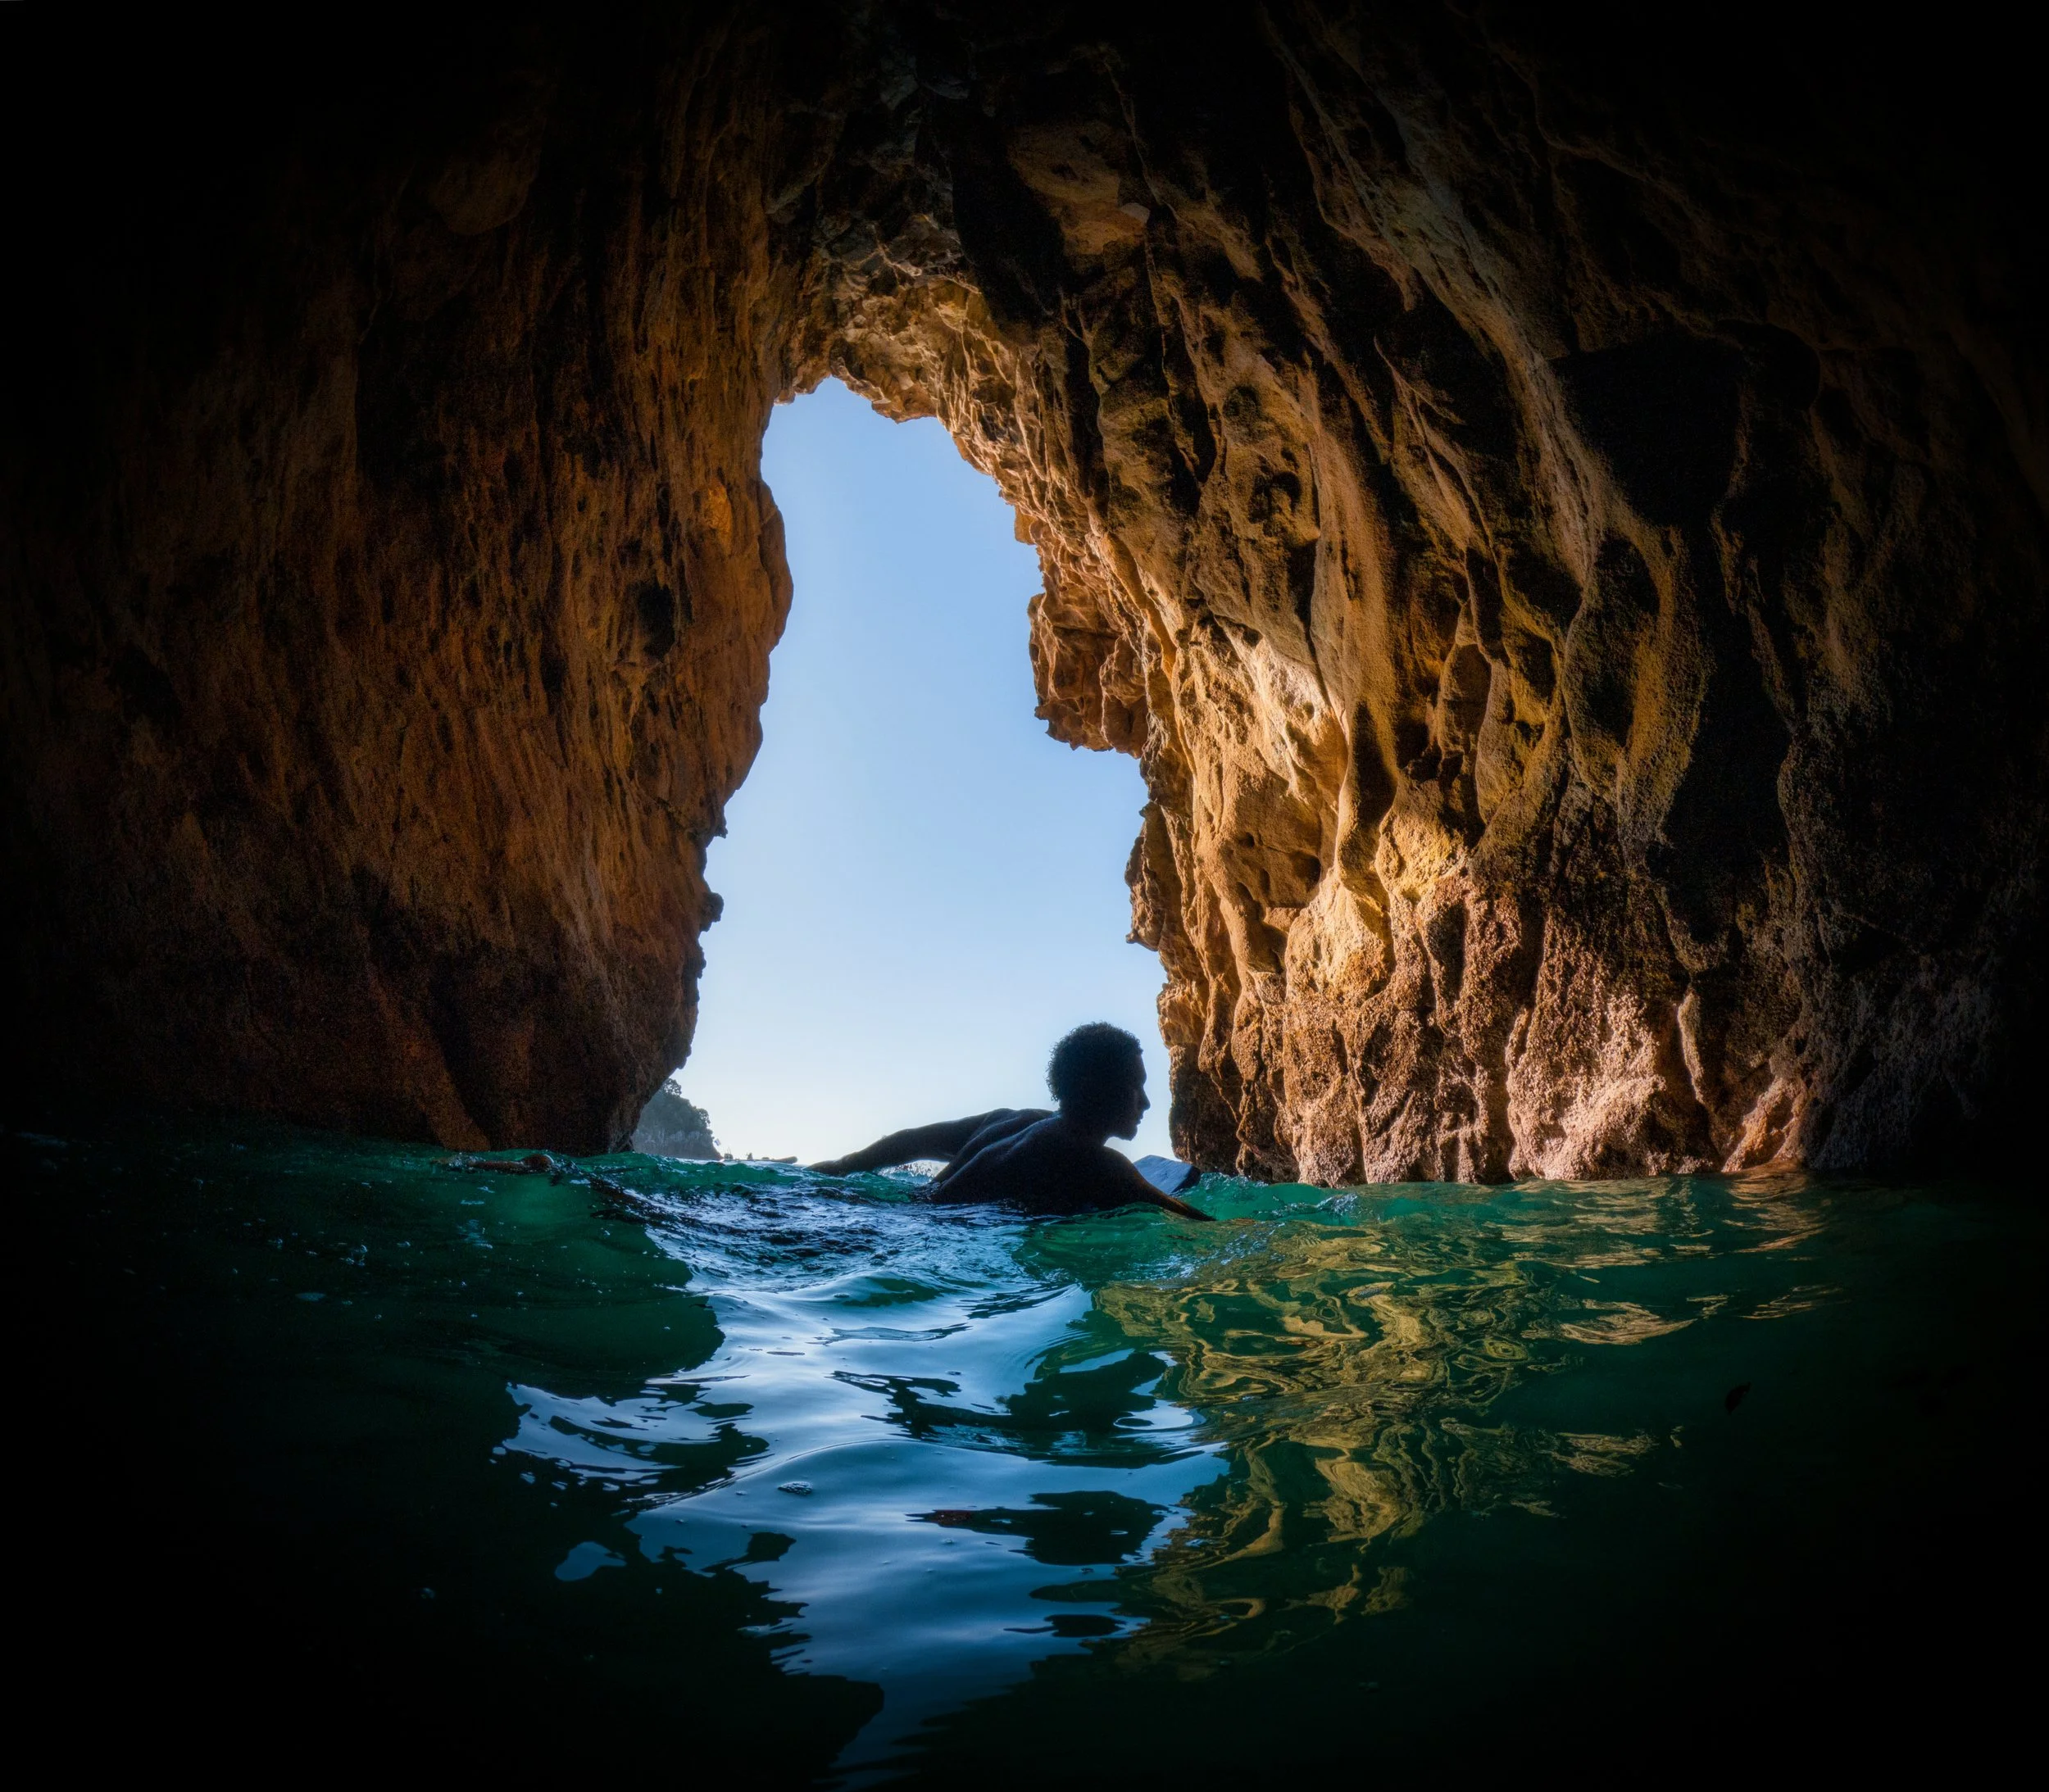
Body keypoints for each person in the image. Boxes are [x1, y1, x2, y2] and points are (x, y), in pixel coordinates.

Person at [809, 1023, 1213, 1220]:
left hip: (882, 1211)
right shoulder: (1101, 1166)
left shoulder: (1009, 1121)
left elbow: (910, 1141)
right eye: (1135, 1088)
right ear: (1098, 1089)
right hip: (909, 1238)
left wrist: (842, 1168)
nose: (1145, 1103)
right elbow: (1198, 1227)